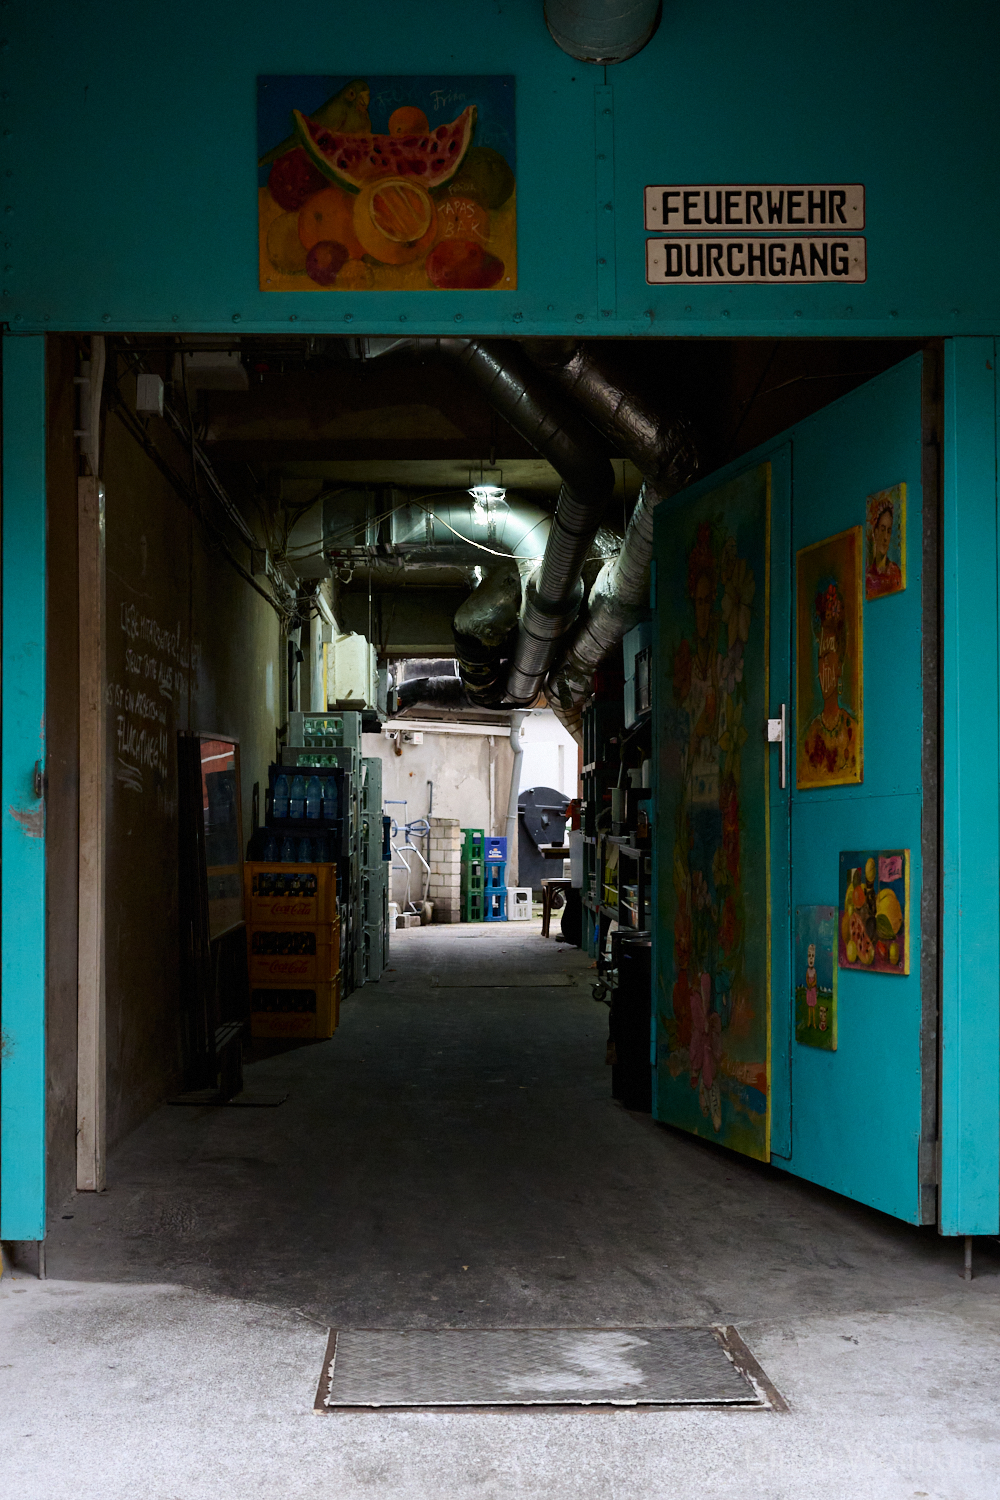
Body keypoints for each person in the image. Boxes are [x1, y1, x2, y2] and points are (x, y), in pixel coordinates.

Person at [802, 579, 859, 779]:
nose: (823, 667)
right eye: (820, 659)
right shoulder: (811, 734)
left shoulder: (852, 730)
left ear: (839, 667)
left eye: (828, 658)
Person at [866, 492, 902, 598]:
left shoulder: (895, 573)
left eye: (888, 531)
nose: (885, 537)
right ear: (875, 532)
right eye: (882, 530)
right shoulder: (868, 577)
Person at [805, 941, 818, 1028]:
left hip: (812, 990)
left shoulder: (814, 971)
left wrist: (812, 985)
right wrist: (808, 985)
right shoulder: (808, 970)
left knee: (813, 1007)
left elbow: (815, 980)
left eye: (812, 956)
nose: (810, 958)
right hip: (809, 990)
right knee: (809, 1007)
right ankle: (809, 1021)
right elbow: (807, 978)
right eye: (809, 956)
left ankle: (814, 1022)